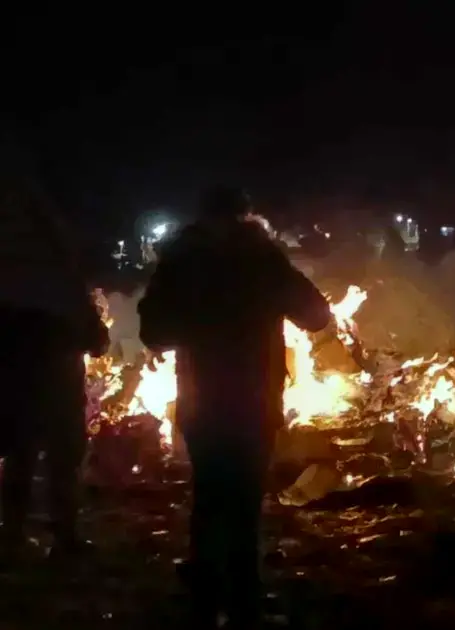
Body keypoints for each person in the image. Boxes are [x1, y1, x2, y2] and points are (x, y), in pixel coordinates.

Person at [139, 186, 331, 629]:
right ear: (246, 215)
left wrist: (197, 320)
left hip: (203, 396)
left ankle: (206, 599)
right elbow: (316, 315)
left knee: (210, 494)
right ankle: (244, 603)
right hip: (254, 396)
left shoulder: (182, 262)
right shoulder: (260, 258)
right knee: (244, 498)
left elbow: (154, 332)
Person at [0, 163, 109, 558]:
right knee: (61, 459)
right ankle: (63, 537)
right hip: (56, 380)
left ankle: (13, 535)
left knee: (20, 455)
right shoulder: (58, 270)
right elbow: (94, 336)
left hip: (14, 381)